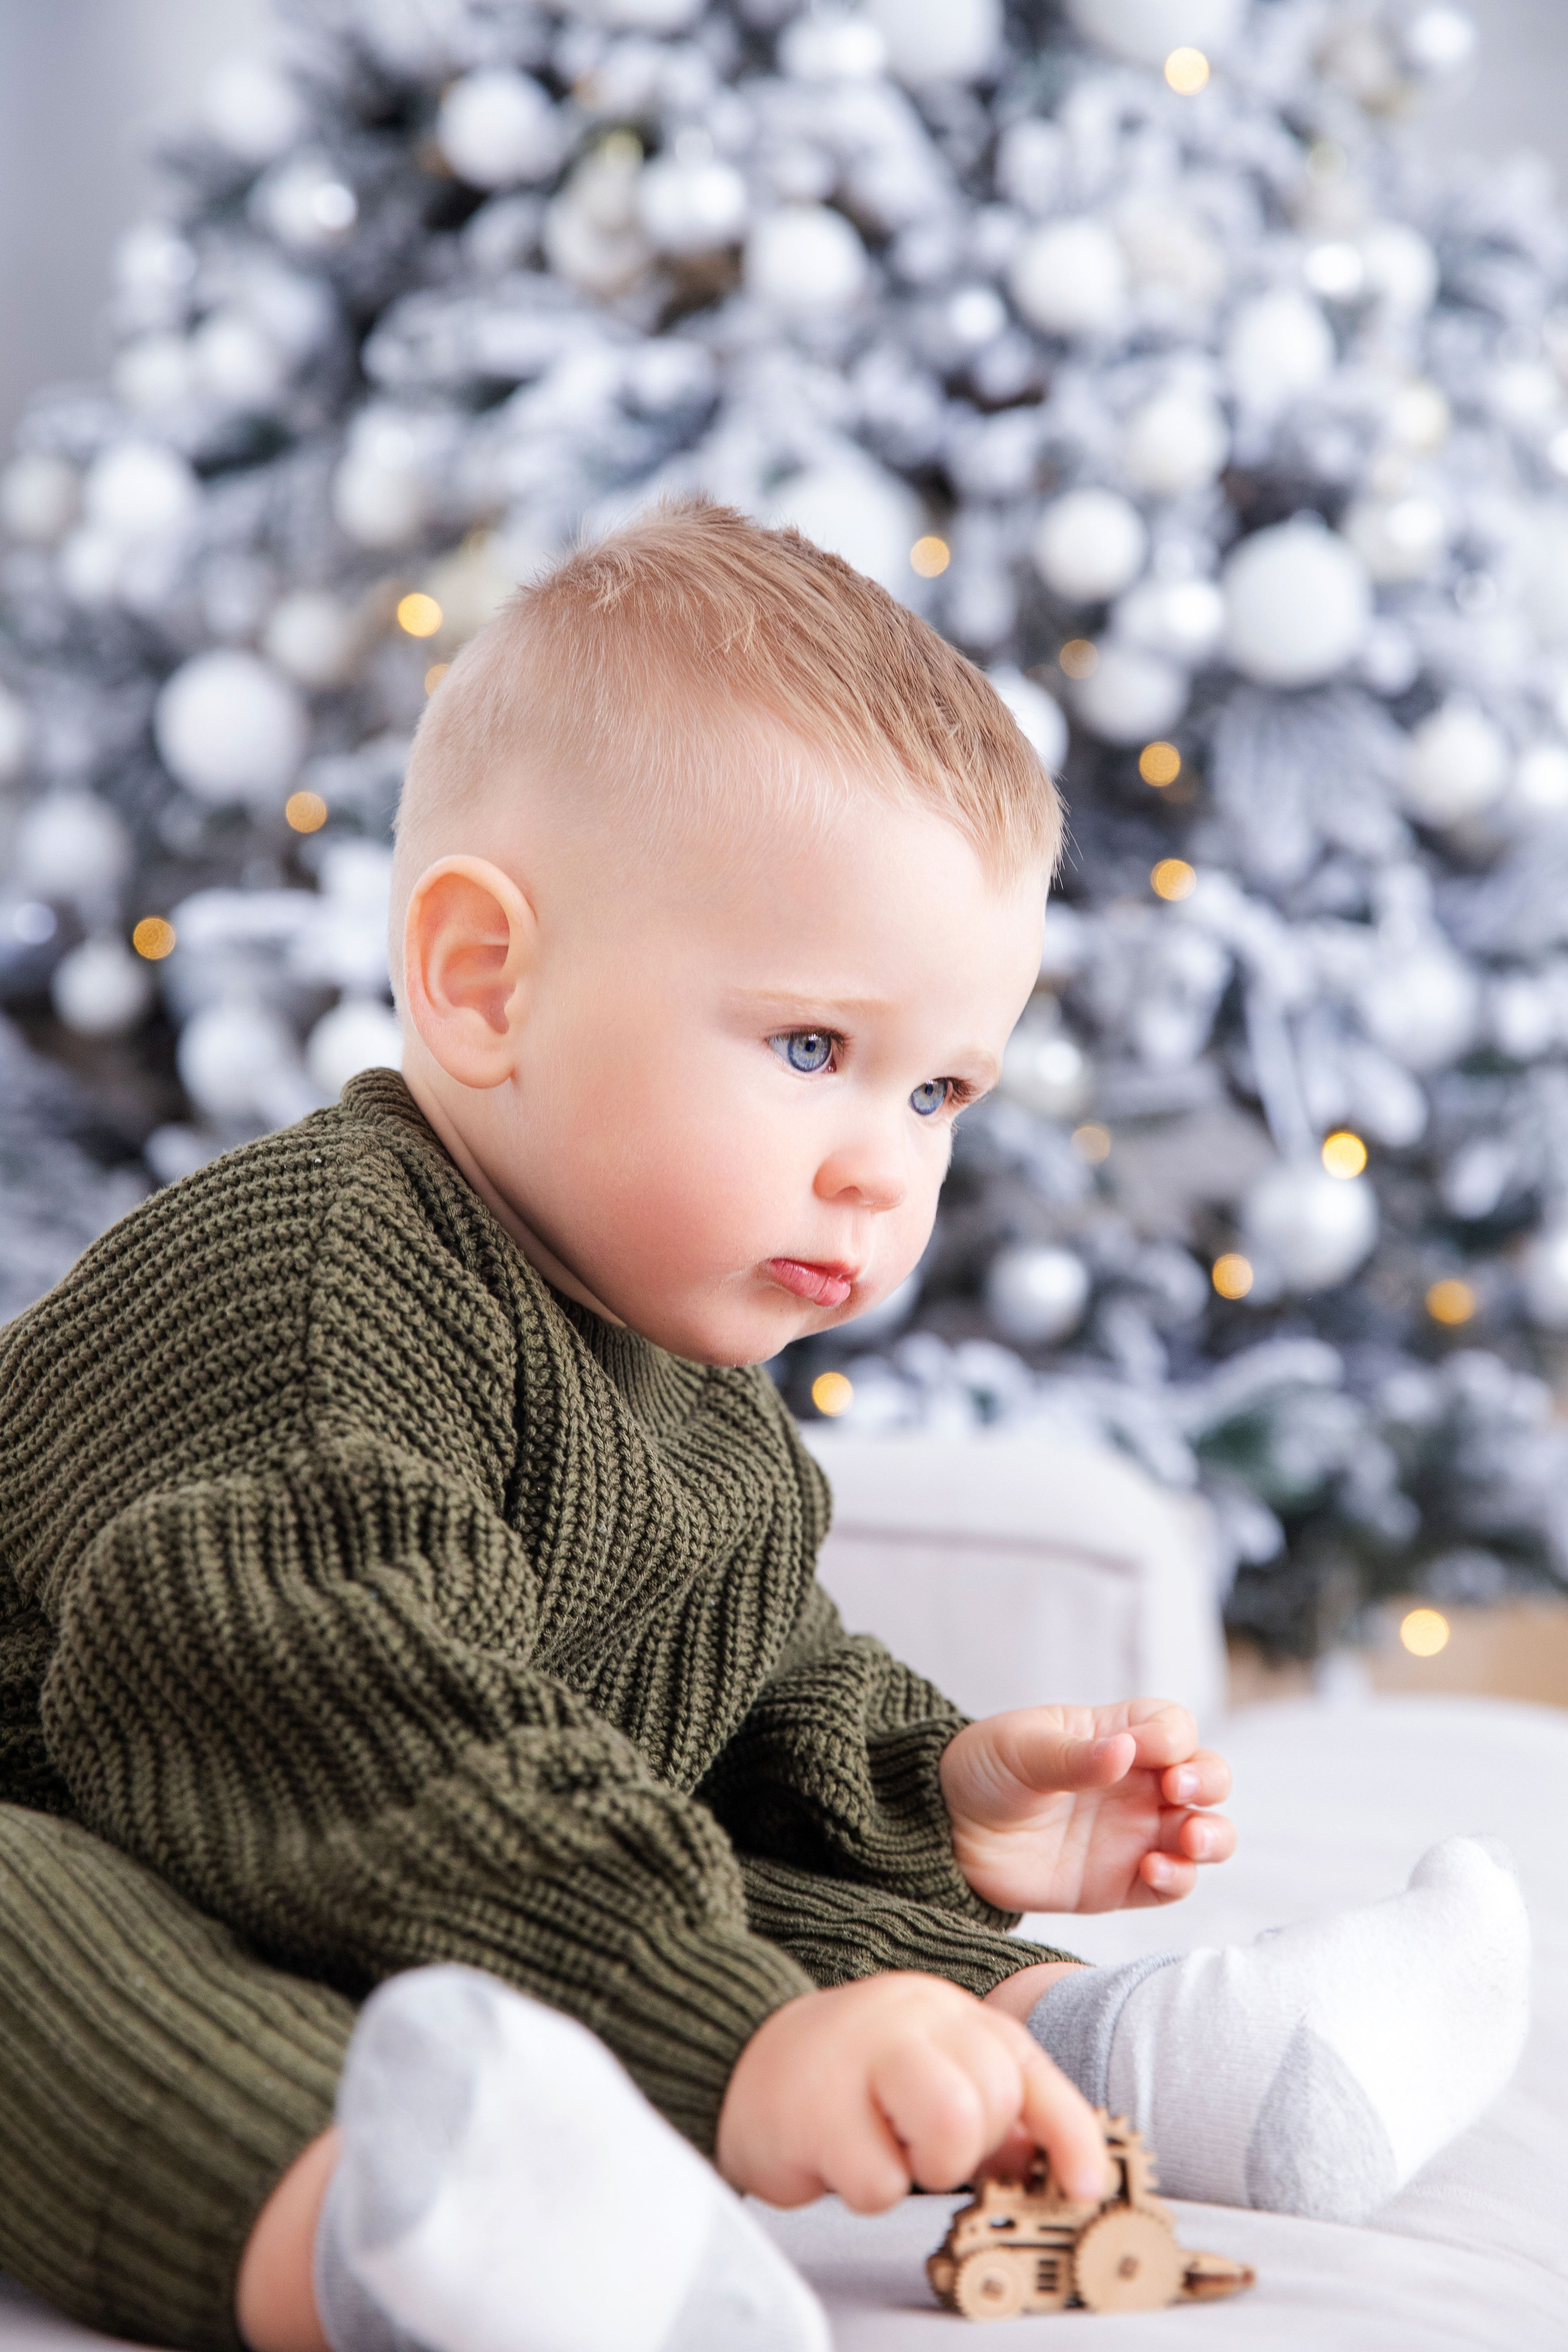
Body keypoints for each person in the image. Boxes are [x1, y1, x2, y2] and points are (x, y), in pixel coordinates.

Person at [0, 503, 1528, 2352]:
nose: (886, 1168)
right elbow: (354, 1732)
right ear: (485, 982)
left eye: (940, 1091)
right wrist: (733, 2038)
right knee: (41, 1924)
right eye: (815, 1049)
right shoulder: (319, 1275)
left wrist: (927, 1788)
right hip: (142, 1806)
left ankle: (1137, 2060)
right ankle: (409, 2228)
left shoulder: (679, 1367)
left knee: (671, 1838)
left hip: (347, 1855)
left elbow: (735, 1680)